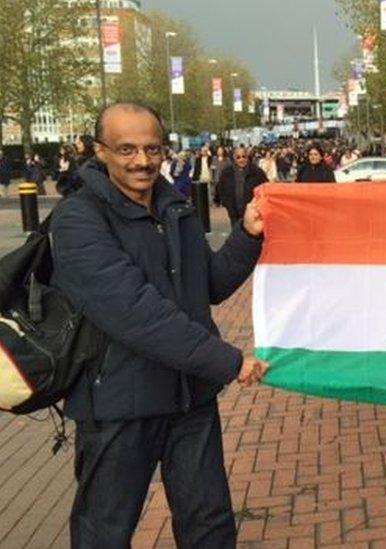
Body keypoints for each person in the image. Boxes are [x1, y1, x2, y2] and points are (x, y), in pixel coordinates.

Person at [49, 102, 268, 548]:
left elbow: (209, 283)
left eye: (152, 148)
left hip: (190, 400)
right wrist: (227, 361)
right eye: (126, 149)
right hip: (118, 406)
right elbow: (136, 313)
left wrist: (248, 234)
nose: (142, 161)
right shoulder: (79, 218)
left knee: (209, 526)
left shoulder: (175, 208)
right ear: (100, 151)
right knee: (104, 532)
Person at [215, 146, 268, 226]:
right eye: (238, 157)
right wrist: (225, 202)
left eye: (244, 156)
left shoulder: (257, 172)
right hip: (234, 211)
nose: (241, 159)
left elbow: (266, 187)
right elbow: (220, 188)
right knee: (237, 234)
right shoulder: (227, 172)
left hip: (252, 211)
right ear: (234, 158)